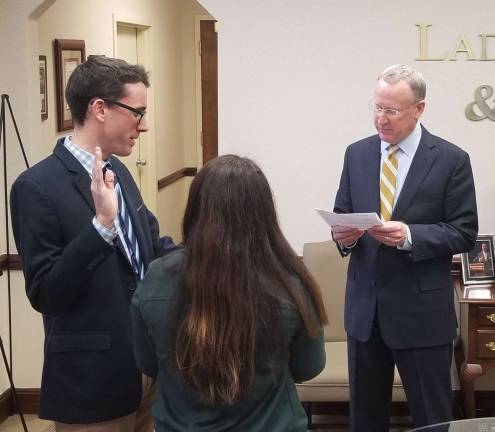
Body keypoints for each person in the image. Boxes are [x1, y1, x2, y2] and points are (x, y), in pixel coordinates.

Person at [10, 55, 176, 431]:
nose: (144, 126)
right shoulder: (36, 188)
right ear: (100, 109)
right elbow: (47, 293)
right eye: (137, 112)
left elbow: (152, 245)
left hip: (146, 373)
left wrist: (211, 256)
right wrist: (101, 226)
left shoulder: (117, 170)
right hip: (90, 388)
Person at [131, 155, 328, 431]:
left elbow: (149, 365)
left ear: (195, 209)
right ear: (264, 214)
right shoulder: (290, 283)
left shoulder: (156, 278)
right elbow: (309, 367)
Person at [332, 64, 478, 431]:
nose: (381, 119)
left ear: (419, 108)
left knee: (432, 418)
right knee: (365, 419)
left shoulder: (451, 160)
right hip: (365, 313)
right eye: (377, 107)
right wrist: (342, 236)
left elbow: (463, 232)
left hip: (422, 315)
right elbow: (342, 214)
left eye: (392, 110)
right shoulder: (357, 154)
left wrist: (410, 236)